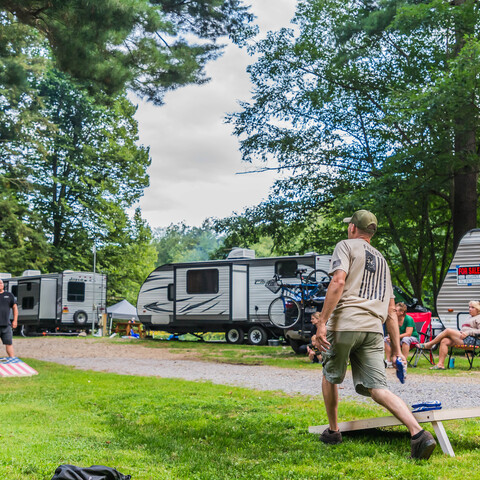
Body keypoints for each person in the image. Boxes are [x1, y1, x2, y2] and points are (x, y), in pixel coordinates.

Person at [313, 209, 436, 459]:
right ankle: (418, 433)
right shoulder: (382, 261)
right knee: (377, 388)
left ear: (352, 228)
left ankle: (334, 431)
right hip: (373, 330)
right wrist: (398, 352)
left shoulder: (345, 246)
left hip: (345, 324)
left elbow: (337, 282)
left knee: (331, 375)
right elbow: (391, 310)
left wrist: (322, 322)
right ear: (372, 232)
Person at [417, 300, 480, 370]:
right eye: (469, 307)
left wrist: (468, 332)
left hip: (473, 340)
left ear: (477, 309)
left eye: (472, 307)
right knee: (444, 340)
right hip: (464, 338)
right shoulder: (470, 317)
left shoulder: (479, 317)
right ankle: (440, 364)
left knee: (448, 330)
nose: (470, 309)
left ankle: (430, 344)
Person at [0, 279, 18, 357]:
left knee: (9, 343)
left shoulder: (9, 295)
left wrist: (15, 320)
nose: (0, 285)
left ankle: (13, 361)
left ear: (3, 285)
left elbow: (15, 308)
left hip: (6, 325)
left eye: (0, 283)